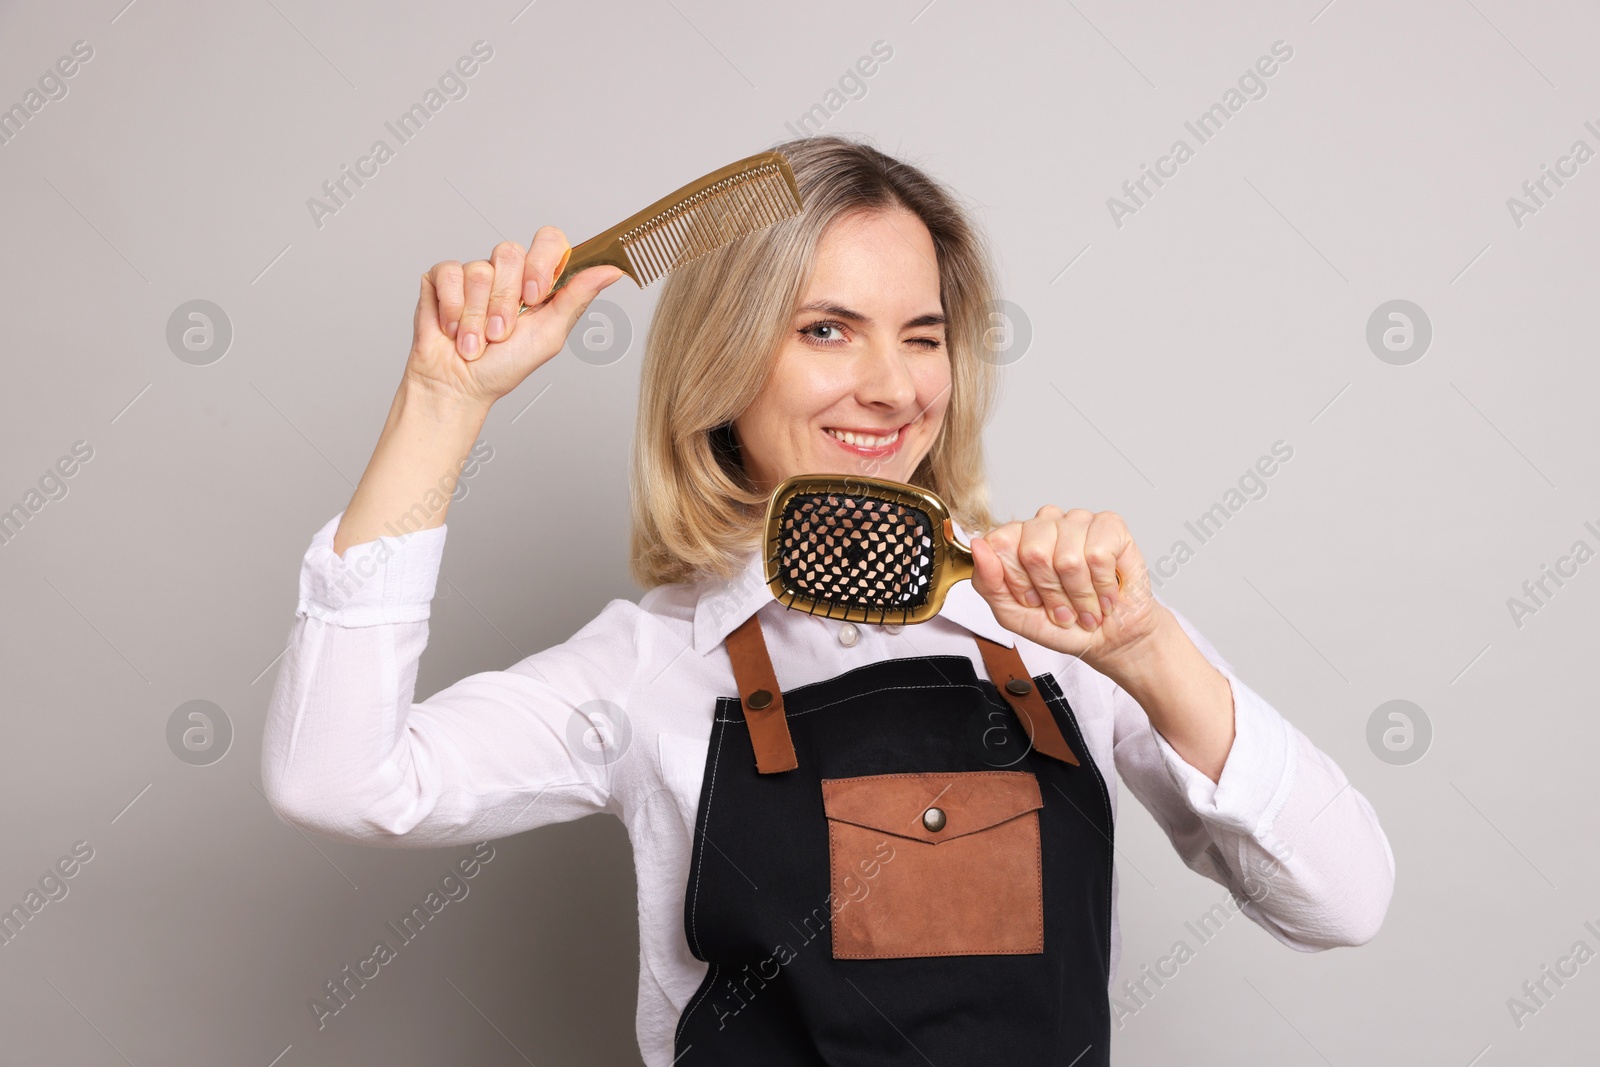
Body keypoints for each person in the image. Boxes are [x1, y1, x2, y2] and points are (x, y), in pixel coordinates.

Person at [261, 134, 1395, 1066]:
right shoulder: (648, 667)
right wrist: (441, 401)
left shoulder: (1069, 621)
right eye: (824, 330)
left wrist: (1146, 650)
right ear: (722, 362)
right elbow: (340, 780)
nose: (892, 386)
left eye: (922, 335)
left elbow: (1341, 903)